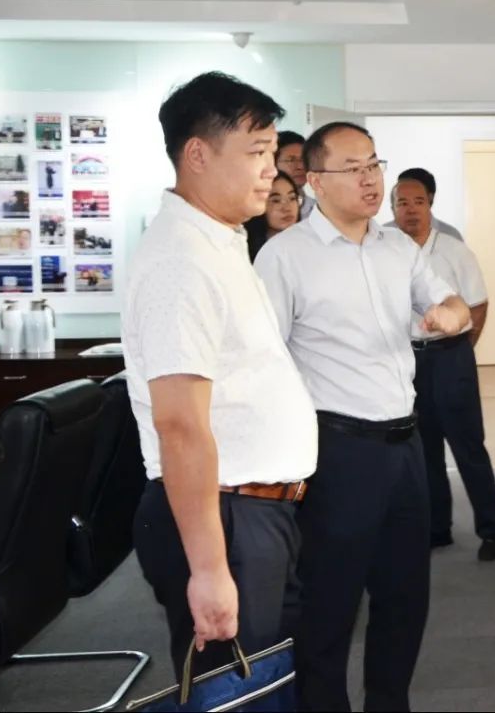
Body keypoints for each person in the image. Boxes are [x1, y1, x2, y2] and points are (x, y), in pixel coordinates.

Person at [255, 121, 470, 712]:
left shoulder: (397, 247)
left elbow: (451, 301)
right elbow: (264, 361)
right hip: (338, 450)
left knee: (406, 596)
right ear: (315, 181)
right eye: (353, 169)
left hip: (406, 445)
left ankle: (388, 703)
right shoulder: (285, 257)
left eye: (374, 164)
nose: (371, 179)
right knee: (331, 602)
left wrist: (450, 316)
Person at [123, 72, 317, 678]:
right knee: (233, 690)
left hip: (253, 512)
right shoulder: (181, 261)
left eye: (273, 152)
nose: (271, 170)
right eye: (257, 152)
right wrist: (209, 570)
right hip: (226, 517)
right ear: (198, 155)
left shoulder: (219, 241)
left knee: (265, 684)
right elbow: (180, 425)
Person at [392, 176, 495, 560]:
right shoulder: (385, 249)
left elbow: (477, 304)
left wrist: (460, 349)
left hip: (450, 356)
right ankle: (437, 528)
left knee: (468, 446)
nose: (410, 210)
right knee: (423, 449)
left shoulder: (454, 250)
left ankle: (493, 530)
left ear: (430, 205)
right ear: (392, 209)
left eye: (418, 202)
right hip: (408, 360)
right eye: (402, 203)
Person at [384, 168, 463, 240]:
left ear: (430, 198)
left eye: (418, 201)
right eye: (404, 203)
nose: (411, 210)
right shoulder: (383, 235)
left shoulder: (451, 235)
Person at [244, 171, 301, 262]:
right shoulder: (242, 250)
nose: (287, 208)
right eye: (276, 200)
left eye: (292, 198)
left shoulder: (307, 245)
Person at [276, 130, 314, 218]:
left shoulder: (319, 211)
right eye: (291, 160)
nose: (301, 166)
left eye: (304, 159)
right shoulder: (258, 210)